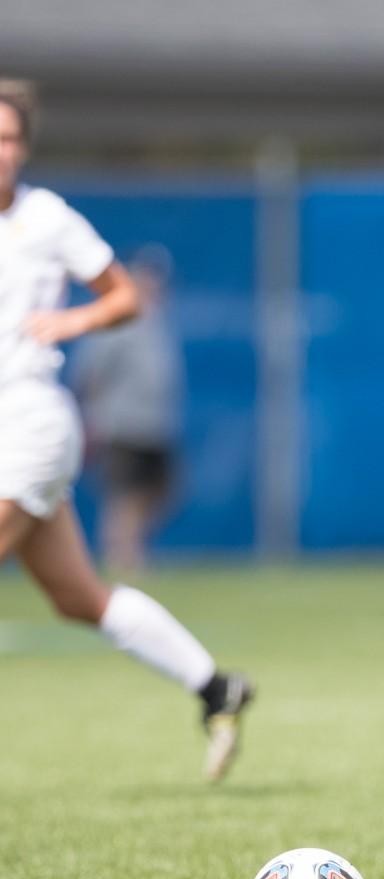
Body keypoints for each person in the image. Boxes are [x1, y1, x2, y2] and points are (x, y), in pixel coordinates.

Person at [0, 80, 251, 781]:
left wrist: (71, 322)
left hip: (29, 421)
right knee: (78, 597)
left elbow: (122, 294)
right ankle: (215, 687)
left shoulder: (45, 217)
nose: (2, 152)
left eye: (11, 138)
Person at [70, 245, 183, 573]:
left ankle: (131, 546)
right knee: (124, 494)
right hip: (122, 424)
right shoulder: (117, 321)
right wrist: (92, 417)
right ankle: (123, 557)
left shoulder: (157, 321)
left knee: (161, 491)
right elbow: (89, 373)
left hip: (156, 424)